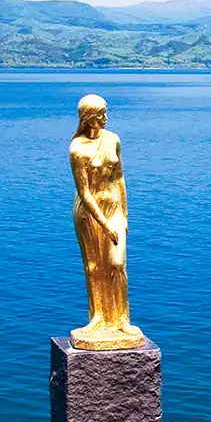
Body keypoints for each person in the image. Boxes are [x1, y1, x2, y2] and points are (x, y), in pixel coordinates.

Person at [68, 94, 146, 349]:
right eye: (100, 114)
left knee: (116, 263)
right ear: (87, 118)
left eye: (105, 112)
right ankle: (98, 317)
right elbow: (84, 192)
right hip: (90, 213)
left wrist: (124, 214)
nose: (105, 118)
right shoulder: (77, 148)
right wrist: (103, 223)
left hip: (114, 208)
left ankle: (122, 318)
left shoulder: (113, 140)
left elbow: (120, 177)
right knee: (93, 267)